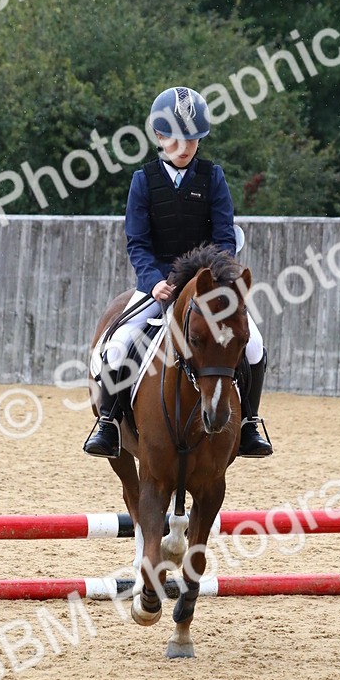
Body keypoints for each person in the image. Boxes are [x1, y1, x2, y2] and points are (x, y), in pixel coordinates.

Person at [84, 85, 273, 459]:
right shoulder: (143, 180)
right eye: (175, 137)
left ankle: (250, 423)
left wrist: (214, 282)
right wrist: (154, 282)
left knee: (254, 345)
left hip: (206, 286)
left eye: (192, 138)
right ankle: (108, 422)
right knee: (119, 344)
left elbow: (224, 239)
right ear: (159, 136)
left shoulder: (212, 177)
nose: (184, 146)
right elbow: (137, 242)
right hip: (157, 285)